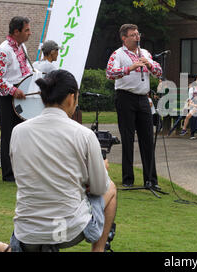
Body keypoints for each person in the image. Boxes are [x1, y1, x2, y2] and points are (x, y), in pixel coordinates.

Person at [9, 69, 117, 252]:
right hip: (68, 230)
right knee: (111, 188)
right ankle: (98, 250)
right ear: (71, 98)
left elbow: (22, 174)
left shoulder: (18, 132)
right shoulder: (84, 135)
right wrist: (100, 170)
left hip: (27, 232)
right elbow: (99, 188)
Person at [106, 24, 163, 189]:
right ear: (124, 38)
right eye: (132, 35)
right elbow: (110, 73)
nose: (137, 37)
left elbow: (159, 72)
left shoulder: (145, 53)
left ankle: (151, 180)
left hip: (143, 98)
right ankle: (128, 179)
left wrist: (150, 65)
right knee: (128, 138)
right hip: (125, 98)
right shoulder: (118, 54)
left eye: (138, 34)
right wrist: (130, 68)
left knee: (147, 138)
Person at [0, 16, 32, 182]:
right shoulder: (3, 50)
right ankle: (8, 174)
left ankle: (20, 170)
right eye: (26, 30)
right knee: (9, 134)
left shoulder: (23, 47)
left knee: (22, 133)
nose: (29, 33)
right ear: (16, 32)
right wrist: (13, 90)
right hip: (7, 97)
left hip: (22, 95)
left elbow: (26, 70)